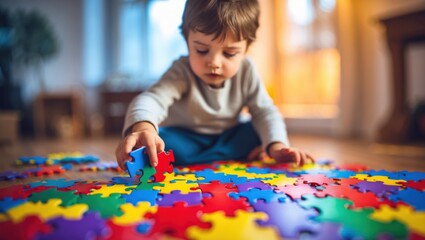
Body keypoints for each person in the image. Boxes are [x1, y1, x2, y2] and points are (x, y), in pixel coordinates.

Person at [115, 0, 313, 170]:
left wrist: (277, 146)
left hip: (229, 137)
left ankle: (257, 148)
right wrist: (144, 128)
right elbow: (153, 99)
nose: (215, 63)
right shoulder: (181, 71)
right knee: (161, 142)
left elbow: (265, 111)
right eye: (201, 50)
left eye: (229, 54)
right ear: (187, 42)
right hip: (187, 140)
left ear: (246, 50)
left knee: (258, 128)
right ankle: (240, 153)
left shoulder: (247, 71)